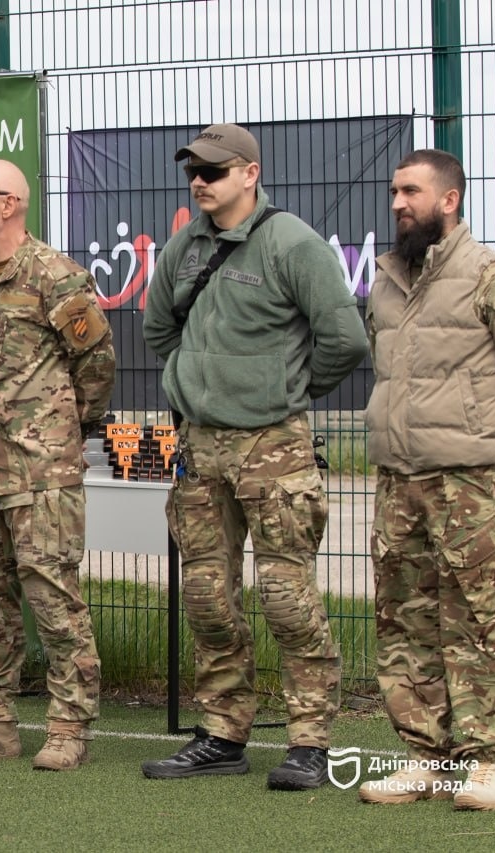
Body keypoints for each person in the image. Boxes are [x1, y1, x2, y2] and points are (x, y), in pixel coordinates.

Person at [140, 123, 368, 789]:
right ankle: (221, 732)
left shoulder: (291, 243)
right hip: (200, 448)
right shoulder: (185, 246)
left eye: (214, 169)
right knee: (209, 595)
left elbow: (344, 339)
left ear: (251, 173)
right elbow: (158, 327)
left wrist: (285, 389)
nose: (200, 181)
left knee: (286, 596)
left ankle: (310, 743)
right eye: (194, 170)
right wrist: (198, 382)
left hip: (274, 447)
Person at [0, 159, 116, 771]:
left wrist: (64, 434)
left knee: (54, 602)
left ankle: (67, 726)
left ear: (9, 204)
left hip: (39, 474)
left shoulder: (57, 277)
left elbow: (96, 364)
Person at [357, 149, 495, 810]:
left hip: (469, 479)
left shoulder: (490, 276)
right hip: (399, 478)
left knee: (478, 617)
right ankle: (424, 755)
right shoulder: (388, 279)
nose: (398, 202)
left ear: (449, 199)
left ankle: (487, 760)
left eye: (412, 191)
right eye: (395, 190)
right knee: (405, 618)